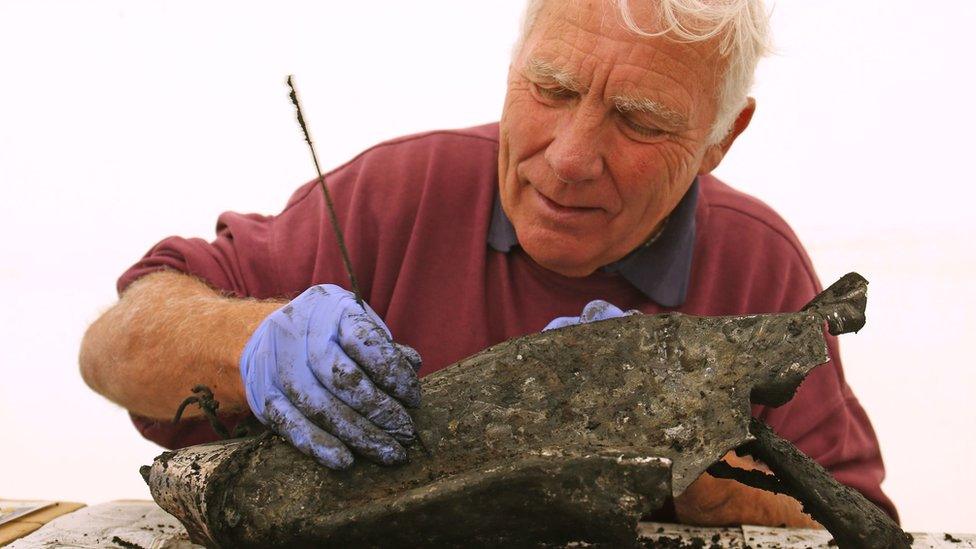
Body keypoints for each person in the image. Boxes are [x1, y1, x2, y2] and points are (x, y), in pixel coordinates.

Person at [79, 0, 896, 527]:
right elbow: (113, 346)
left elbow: (855, 518)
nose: (571, 157)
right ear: (513, 68)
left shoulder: (758, 264)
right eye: (550, 88)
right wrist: (252, 343)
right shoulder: (398, 194)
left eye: (640, 123)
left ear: (723, 136)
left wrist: (695, 468)